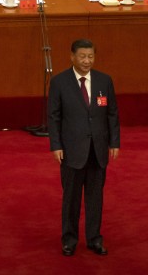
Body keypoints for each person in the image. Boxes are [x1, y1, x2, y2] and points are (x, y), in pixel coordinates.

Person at [48, 38, 120, 257]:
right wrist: (56, 145)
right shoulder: (59, 82)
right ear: (72, 57)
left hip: (97, 150)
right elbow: (54, 117)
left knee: (95, 198)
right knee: (71, 199)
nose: (87, 61)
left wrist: (114, 142)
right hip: (71, 151)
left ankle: (94, 239)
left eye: (90, 56)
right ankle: (69, 240)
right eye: (82, 56)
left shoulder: (104, 81)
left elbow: (112, 113)